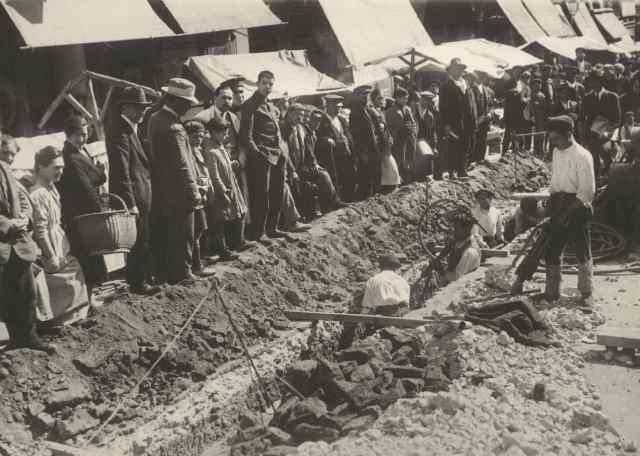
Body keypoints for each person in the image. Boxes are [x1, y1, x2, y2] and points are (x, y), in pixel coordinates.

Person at [106, 87, 160, 295]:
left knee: (144, 239)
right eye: (138, 108)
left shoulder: (130, 129)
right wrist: (130, 203)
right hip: (135, 197)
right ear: (125, 108)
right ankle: (139, 283)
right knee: (138, 242)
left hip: (142, 194)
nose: (142, 112)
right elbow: (122, 171)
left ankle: (143, 277)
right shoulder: (120, 131)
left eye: (144, 108)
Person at [148, 78, 202, 285]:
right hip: (179, 190)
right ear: (176, 101)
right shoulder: (174, 128)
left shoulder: (154, 119)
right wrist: (193, 189)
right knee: (184, 232)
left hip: (162, 187)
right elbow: (182, 163)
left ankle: (168, 273)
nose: (189, 107)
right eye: (187, 103)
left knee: (169, 232)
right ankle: (183, 272)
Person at [0, 153, 54, 353]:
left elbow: (22, 198)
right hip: (2, 242)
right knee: (5, 298)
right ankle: (11, 342)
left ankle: (29, 338)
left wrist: (24, 218)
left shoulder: (5, 167)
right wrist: (7, 224)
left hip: (18, 243)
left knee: (27, 294)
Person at [30, 146, 89, 327]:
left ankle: (72, 318)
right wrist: (51, 254)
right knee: (59, 281)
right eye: (56, 167)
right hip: (49, 244)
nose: (60, 171)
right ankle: (58, 321)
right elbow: (40, 229)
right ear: (41, 167)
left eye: (62, 167)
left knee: (73, 275)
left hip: (59, 240)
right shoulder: (38, 194)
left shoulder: (52, 189)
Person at [544, 115, 595, 309]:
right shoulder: (557, 152)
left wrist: (568, 213)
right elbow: (555, 180)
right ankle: (552, 292)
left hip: (577, 206)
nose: (553, 143)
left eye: (556, 139)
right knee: (552, 250)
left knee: (582, 251)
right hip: (559, 203)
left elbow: (587, 191)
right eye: (551, 140)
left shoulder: (582, 156)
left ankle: (586, 293)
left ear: (568, 135)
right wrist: (551, 201)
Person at [57, 115, 107, 296]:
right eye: (79, 135)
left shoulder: (80, 152)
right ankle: (89, 295)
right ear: (69, 134)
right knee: (86, 255)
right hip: (80, 214)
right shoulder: (70, 156)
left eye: (85, 134)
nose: (84, 138)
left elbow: (95, 178)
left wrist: (100, 172)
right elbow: (85, 187)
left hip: (86, 212)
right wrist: (99, 211)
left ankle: (94, 293)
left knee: (92, 253)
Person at [240, 70, 287, 244]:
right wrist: (259, 155)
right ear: (257, 83)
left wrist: (283, 150)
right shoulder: (250, 105)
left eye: (271, 84)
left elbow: (277, 131)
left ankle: (272, 228)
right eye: (265, 83)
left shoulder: (272, 106)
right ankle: (259, 233)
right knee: (262, 196)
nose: (268, 87)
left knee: (277, 192)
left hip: (278, 155)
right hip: (263, 157)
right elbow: (246, 136)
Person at [205, 117, 254, 260]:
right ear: (213, 132)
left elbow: (224, 163)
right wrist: (222, 192)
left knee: (240, 212)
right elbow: (214, 176)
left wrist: (231, 164)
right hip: (222, 190)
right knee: (220, 220)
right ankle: (223, 250)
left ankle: (239, 241)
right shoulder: (210, 151)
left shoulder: (220, 146)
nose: (226, 136)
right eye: (223, 133)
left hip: (232, 185)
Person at [185, 120, 216, 276]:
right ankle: (196, 266)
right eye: (195, 136)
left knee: (201, 229)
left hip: (202, 195)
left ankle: (199, 260)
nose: (198, 140)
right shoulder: (187, 152)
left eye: (201, 136)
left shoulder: (197, 150)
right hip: (194, 196)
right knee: (195, 231)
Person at [439, 58, 474, 179]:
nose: (458, 71)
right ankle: (451, 171)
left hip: (467, 121)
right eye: (455, 69)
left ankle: (462, 170)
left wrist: (473, 120)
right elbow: (443, 107)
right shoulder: (445, 86)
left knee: (465, 146)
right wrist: (446, 124)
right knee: (453, 147)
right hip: (453, 121)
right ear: (450, 71)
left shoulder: (467, 85)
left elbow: (471, 104)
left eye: (460, 69)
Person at [582, 71, 621, 177]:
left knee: (607, 156)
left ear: (601, 82)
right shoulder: (587, 98)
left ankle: (610, 177)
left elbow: (617, 119)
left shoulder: (612, 96)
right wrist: (586, 136)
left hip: (608, 134)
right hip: (592, 134)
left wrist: (608, 132)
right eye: (590, 81)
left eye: (595, 81)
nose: (592, 84)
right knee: (593, 159)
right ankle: (596, 180)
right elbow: (584, 118)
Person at [350, 85, 384, 199]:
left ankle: (375, 198)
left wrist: (382, 144)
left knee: (376, 176)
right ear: (357, 97)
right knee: (366, 179)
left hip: (375, 149)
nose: (365, 98)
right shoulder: (355, 113)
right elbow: (356, 136)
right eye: (362, 95)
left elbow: (377, 130)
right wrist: (361, 153)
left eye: (366, 95)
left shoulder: (369, 111)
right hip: (365, 152)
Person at [324, 94, 356, 202]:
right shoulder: (323, 121)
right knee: (337, 179)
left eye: (339, 107)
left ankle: (349, 200)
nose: (338, 109)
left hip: (346, 154)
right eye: (335, 107)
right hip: (334, 156)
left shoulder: (341, 119)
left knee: (349, 178)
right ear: (328, 106)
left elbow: (348, 135)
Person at [385, 87, 417, 181]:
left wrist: (412, 130)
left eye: (407, 98)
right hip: (399, 139)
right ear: (397, 98)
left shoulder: (408, 109)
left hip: (409, 138)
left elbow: (413, 123)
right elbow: (390, 127)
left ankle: (409, 178)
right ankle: (399, 179)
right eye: (403, 98)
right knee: (399, 160)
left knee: (409, 158)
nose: (406, 100)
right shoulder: (391, 111)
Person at [446, 208, 482, 282]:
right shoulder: (459, 242)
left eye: (456, 227)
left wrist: (442, 272)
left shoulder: (469, 252)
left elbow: (456, 278)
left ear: (466, 229)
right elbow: (446, 216)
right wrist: (456, 210)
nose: (453, 230)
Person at [470, 72, 494, 164]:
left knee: (483, 141)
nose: (481, 79)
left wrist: (490, 114)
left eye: (483, 77)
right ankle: (472, 161)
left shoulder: (489, 91)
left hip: (485, 120)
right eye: (479, 76)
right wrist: (476, 118)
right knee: (473, 142)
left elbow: (491, 106)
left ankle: (481, 159)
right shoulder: (470, 89)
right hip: (475, 120)